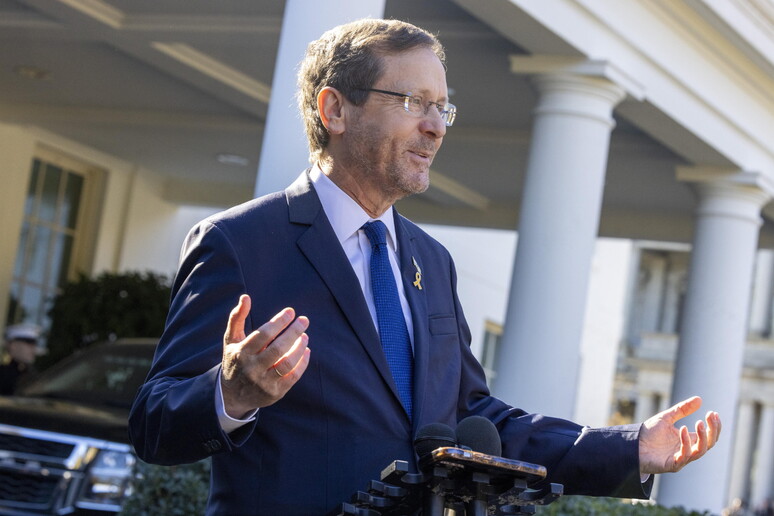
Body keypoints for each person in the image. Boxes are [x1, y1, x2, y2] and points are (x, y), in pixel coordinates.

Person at [128, 18, 721, 515]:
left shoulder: (431, 262)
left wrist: (629, 448)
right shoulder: (240, 243)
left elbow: (472, 417)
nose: (435, 126)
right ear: (335, 109)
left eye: (443, 107)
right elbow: (154, 422)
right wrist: (231, 394)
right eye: (413, 102)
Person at [0, 324, 40, 395]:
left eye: (34, 345)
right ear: (13, 346)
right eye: (28, 344)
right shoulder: (3, 373)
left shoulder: (32, 373)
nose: (33, 349)